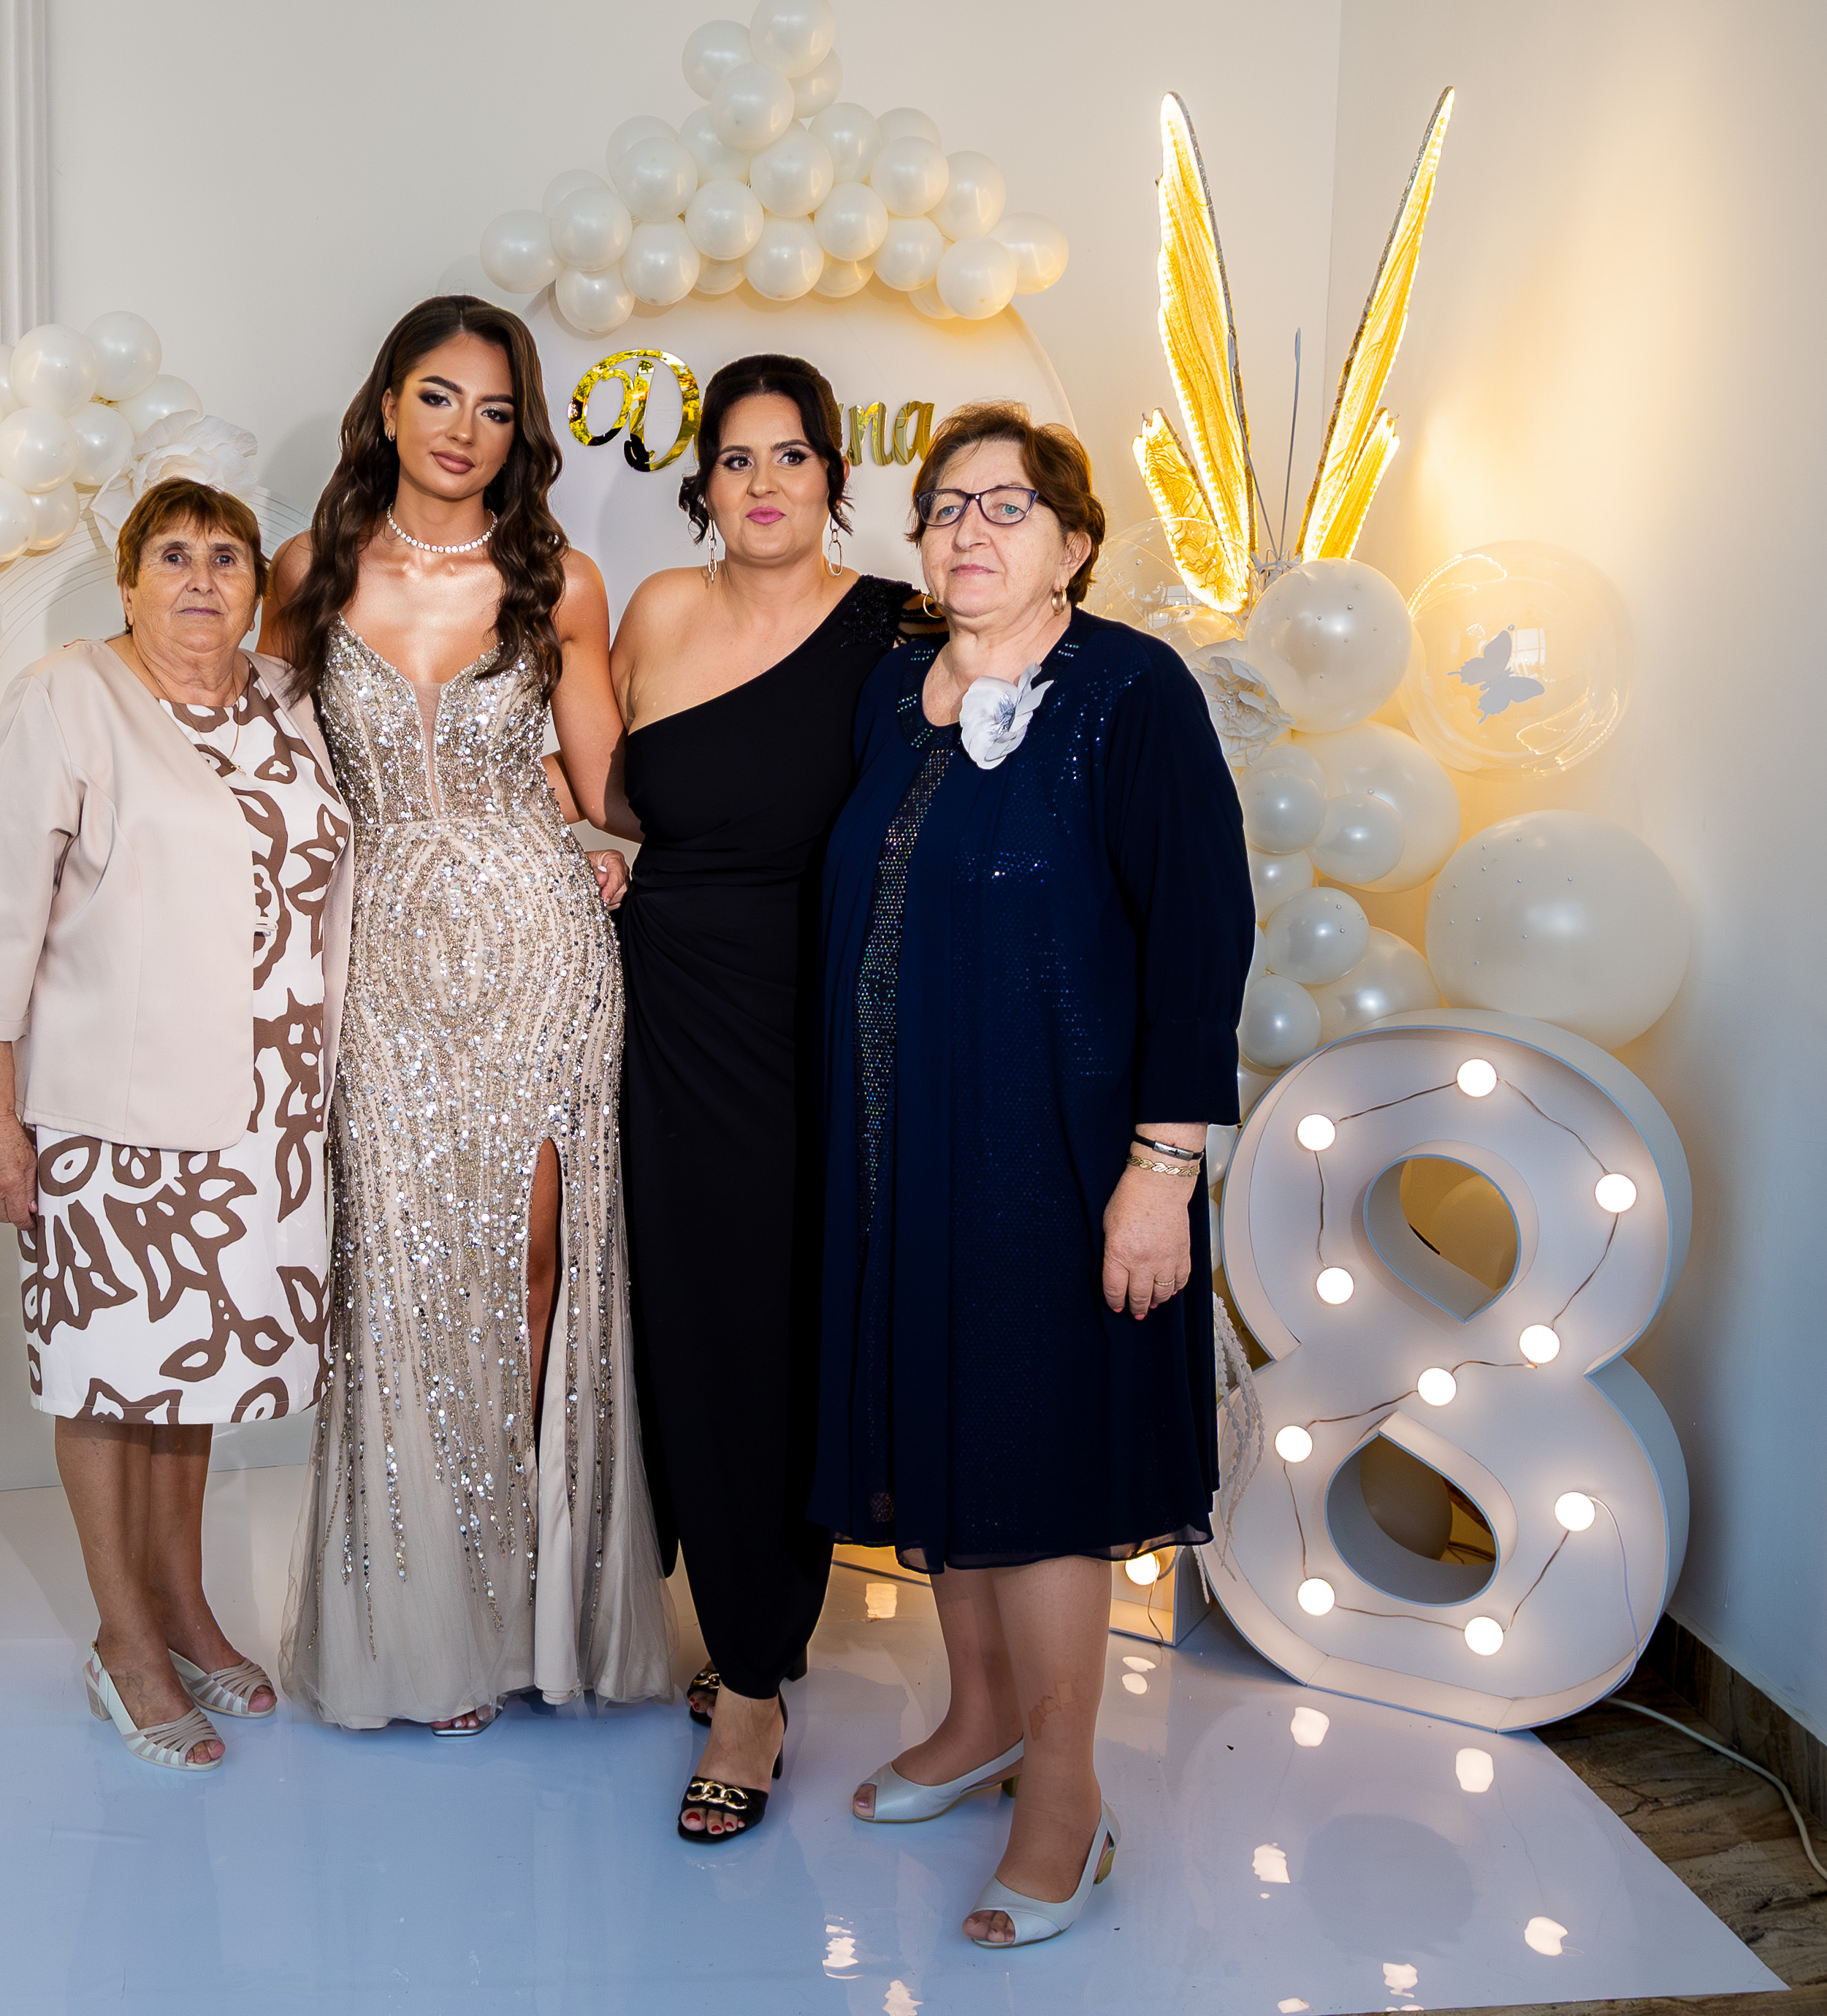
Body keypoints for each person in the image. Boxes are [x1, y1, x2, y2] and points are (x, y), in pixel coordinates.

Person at [813, 405, 1253, 1943]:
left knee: (1041, 1463)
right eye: (945, 505)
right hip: (901, 1144)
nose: (968, 531)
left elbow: (1198, 936)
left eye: (1006, 507)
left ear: (1071, 543)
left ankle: (1066, 1793)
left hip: (1057, 1158)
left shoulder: (1128, 690)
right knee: (941, 1433)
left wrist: (1161, 1169)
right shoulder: (892, 693)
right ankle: (979, 1719)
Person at [263, 295, 668, 1733]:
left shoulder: (561, 581)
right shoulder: (308, 570)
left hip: (539, 946)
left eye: (495, 410)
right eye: (438, 397)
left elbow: (608, 781)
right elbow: (270, 779)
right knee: (403, 1270)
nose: (463, 431)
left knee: (538, 1260)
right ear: (388, 405)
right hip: (381, 955)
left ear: (520, 434)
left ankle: (531, 1613)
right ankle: (425, 1625)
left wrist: (644, 843)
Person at [0, 477, 350, 1773]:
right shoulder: (71, 695)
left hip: (265, 1114)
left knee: (191, 1376)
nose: (201, 579)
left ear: (258, 586)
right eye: (172, 556)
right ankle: (123, 1642)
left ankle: (183, 1608)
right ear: (126, 584)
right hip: (111, 1115)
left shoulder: (287, 698)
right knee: (113, 1379)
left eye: (226, 557)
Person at [607, 354, 912, 1841]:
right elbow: (605, 802)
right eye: (736, 460)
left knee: (775, 1344)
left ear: (832, 476)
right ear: (703, 485)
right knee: (679, 1329)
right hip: (662, 1016)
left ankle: (751, 1680)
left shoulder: (898, 630)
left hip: (816, 1030)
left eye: (790, 455)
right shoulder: (659, 611)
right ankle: (728, 1623)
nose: (764, 483)